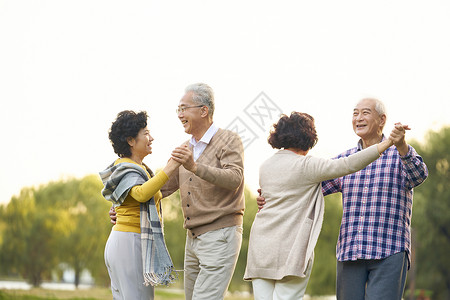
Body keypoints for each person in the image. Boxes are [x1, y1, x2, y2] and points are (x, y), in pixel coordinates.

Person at [257, 98, 428, 299]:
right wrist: (271, 197)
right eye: (355, 113)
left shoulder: (398, 153)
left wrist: (401, 146)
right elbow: (307, 189)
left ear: (382, 120)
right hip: (350, 251)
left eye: (365, 113)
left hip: (388, 250)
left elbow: (419, 175)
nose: (358, 118)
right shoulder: (344, 161)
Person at [109, 83, 245, 300]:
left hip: (220, 235)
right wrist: (124, 207)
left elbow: (235, 179)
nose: (180, 115)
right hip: (192, 239)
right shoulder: (185, 148)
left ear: (203, 110)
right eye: (178, 110)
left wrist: (195, 167)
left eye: (184, 108)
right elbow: (159, 188)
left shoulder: (229, 140)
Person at [99, 110, 181, 300]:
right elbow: (141, 194)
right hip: (129, 243)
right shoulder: (126, 168)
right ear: (130, 140)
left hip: (126, 242)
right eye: (145, 133)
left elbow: (148, 191)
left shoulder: (141, 170)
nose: (151, 138)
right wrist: (170, 167)